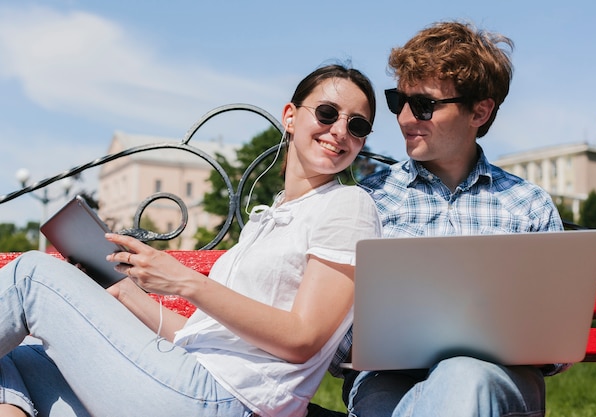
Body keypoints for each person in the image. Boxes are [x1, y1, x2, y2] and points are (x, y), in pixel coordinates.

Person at [0, 63, 382, 417]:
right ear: (290, 117)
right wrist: (126, 294)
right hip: (187, 379)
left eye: (358, 125)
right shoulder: (270, 218)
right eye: (328, 113)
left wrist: (185, 281)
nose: (339, 131)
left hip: (227, 398)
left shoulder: (349, 205)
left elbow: (303, 339)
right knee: (17, 360)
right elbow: (200, 337)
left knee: (30, 276)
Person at [340, 21, 564, 417]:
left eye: (424, 104)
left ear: (480, 110)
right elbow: (332, 334)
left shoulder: (528, 206)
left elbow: (557, 349)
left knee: (464, 377)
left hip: (502, 379)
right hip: (389, 380)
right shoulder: (368, 201)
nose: (405, 118)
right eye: (398, 101)